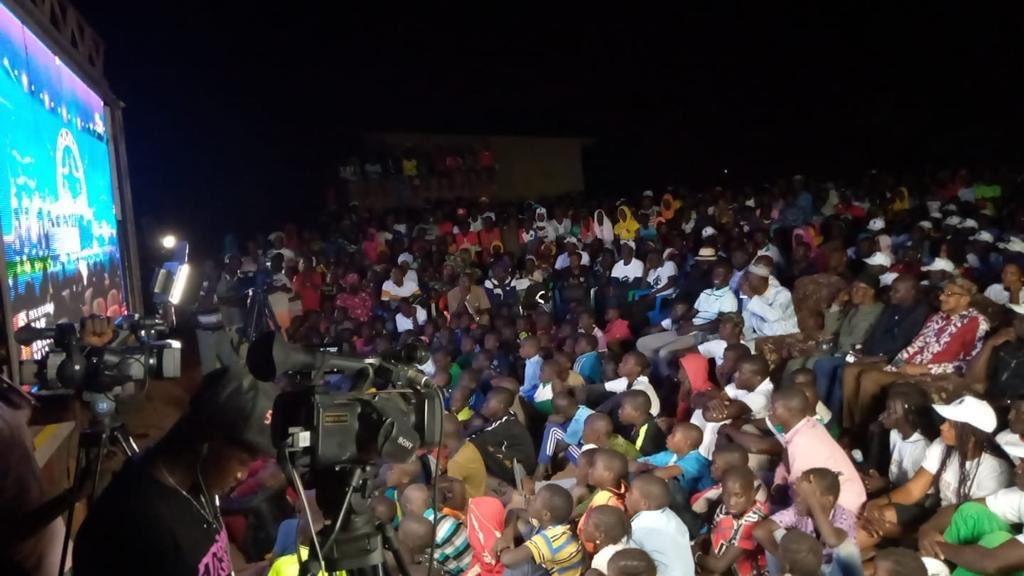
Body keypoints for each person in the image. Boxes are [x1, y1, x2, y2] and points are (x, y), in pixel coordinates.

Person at [74, 368, 276, 576]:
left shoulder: (199, 483)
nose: (242, 475)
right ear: (207, 442)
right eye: (242, 462)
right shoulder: (143, 525)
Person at [860, 395, 1011, 550]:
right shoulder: (942, 445)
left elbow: (971, 521)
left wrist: (904, 533)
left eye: (951, 425)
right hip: (936, 515)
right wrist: (878, 502)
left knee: (898, 532)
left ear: (971, 434)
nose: (942, 427)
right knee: (879, 516)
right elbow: (914, 490)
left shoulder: (995, 469)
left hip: (961, 530)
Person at [843, 277, 990, 429]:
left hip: (930, 374)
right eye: (943, 293)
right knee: (850, 370)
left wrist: (924, 369)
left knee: (869, 378)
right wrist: (897, 363)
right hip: (908, 366)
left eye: (949, 294)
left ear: (964, 299)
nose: (941, 297)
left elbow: (968, 364)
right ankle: (848, 427)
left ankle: (861, 431)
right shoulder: (937, 317)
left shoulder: (977, 323)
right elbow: (916, 345)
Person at [817, 274, 930, 418]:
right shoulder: (890, 308)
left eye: (896, 291)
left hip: (890, 360)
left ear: (911, 292)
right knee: (834, 366)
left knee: (835, 367)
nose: (891, 294)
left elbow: (903, 348)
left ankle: (837, 419)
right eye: (891, 290)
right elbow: (873, 336)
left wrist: (872, 358)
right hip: (863, 355)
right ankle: (840, 420)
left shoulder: (919, 314)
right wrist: (863, 353)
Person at [918, 434, 1024, 575]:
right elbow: (961, 508)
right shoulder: (1019, 495)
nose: (1017, 469)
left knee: (996, 542)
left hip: (995, 562)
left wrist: (938, 546)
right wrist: (927, 530)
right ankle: (925, 565)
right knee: (972, 512)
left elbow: (992, 563)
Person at [768, 386, 867, 513]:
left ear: (790, 411)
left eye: (774, 407)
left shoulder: (802, 441)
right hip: (846, 495)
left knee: (765, 509)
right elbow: (787, 461)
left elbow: (799, 490)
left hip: (841, 509)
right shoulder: (809, 424)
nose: (770, 411)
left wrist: (778, 493)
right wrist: (778, 483)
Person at [636, 261, 738, 376]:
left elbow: (720, 324)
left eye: (720, 274)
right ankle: (657, 374)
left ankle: (669, 380)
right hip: (689, 329)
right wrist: (681, 317)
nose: (716, 277)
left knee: (665, 352)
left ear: (729, 276)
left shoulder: (729, 298)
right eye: (715, 273)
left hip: (702, 334)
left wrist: (692, 327)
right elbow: (692, 313)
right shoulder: (706, 292)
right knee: (642, 343)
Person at [754, 468, 861, 576]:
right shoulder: (798, 510)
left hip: (834, 571)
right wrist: (783, 559)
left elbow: (832, 540)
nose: (798, 500)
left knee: (846, 548)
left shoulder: (844, 516)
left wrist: (811, 500)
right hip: (804, 568)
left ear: (828, 501)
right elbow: (759, 531)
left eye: (805, 496)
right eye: (798, 494)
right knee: (775, 533)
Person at [691, 355, 775, 459]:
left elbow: (711, 415)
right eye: (737, 371)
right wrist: (709, 401)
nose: (735, 375)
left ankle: (700, 459)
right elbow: (696, 398)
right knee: (702, 410)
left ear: (757, 377)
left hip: (753, 433)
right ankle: (692, 452)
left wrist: (711, 403)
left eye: (741, 373)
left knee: (717, 419)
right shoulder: (743, 385)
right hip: (739, 426)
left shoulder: (761, 396)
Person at [495, 484, 583, 576]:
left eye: (535, 499)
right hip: (552, 565)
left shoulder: (549, 539)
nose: (530, 498)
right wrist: (507, 537)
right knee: (523, 524)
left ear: (545, 515)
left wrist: (504, 546)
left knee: (514, 569)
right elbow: (515, 511)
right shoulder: (551, 523)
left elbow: (507, 560)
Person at [695, 466, 768, 576]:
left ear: (754, 493)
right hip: (729, 566)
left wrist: (695, 554)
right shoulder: (724, 510)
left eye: (738, 495)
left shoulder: (754, 520)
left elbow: (720, 566)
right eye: (726, 494)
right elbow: (715, 551)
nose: (731, 502)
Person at [625, 474, 695, 576]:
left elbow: (625, 554)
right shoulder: (671, 517)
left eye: (630, 493)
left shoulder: (639, 526)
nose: (626, 495)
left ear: (644, 504)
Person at [468, 388, 537, 484]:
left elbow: (476, 440)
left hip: (518, 470)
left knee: (478, 446)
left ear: (501, 405)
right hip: (518, 463)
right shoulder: (508, 417)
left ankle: (501, 485)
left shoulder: (505, 426)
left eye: (488, 402)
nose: (484, 404)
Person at [634, 422, 713, 495]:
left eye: (673, 435)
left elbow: (661, 474)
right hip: (678, 500)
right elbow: (636, 464)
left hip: (695, 506)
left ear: (687, 442)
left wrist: (646, 468)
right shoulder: (670, 454)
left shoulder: (697, 461)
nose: (668, 437)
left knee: (668, 485)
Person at [535, 393, 594, 479]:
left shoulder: (577, 423)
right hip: (593, 451)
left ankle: (542, 467)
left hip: (589, 462)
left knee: (552, 429)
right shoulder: (584, 410)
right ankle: (545, 463)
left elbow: (560, 448)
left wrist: (549, 449)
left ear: (560, 414)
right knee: (557, 426)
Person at [739, 261, 799, 339]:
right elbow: (747, 321)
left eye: (749, 280)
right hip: (763, 338)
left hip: (787, 337)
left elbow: (773, 316)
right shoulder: (750, 295)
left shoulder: (782, 293)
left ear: (760, 281)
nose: (746, 283)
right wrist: (744, 336)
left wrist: (751, 295)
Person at [592, 351, 660, 417]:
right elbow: (598, 388)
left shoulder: (643, 385)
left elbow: (619, 398)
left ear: (637, 369)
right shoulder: (626, 380)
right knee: (601, 395)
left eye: (625, 363)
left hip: (648, 422)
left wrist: (595, 413)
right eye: (621, 361)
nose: (620, 364)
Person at [442, 413, 487, 499]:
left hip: (468, 506)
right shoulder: (468, 445)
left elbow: (459, 504)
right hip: (479, 492)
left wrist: (441, 507)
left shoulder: (455, 462)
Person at [581, 505, 635, 574]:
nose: (583, 525)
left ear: (600, 535)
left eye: (587, 523)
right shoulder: (626, 547)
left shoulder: (601, 560)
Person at [616, 391, 666, 457]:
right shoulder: (648, 419)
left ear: (636, 412)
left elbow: (639, 459)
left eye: (623, 408)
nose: (619, 411)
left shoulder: (644, 439)